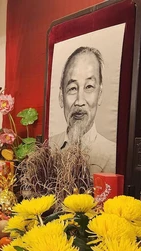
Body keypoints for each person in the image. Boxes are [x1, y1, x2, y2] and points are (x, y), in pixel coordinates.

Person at [49, 46, 116, 174]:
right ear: (61, 97)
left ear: (100, 95)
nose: (79, 101)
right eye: (73, 88)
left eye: (89, 87)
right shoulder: (50, 147)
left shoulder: (112, 154)